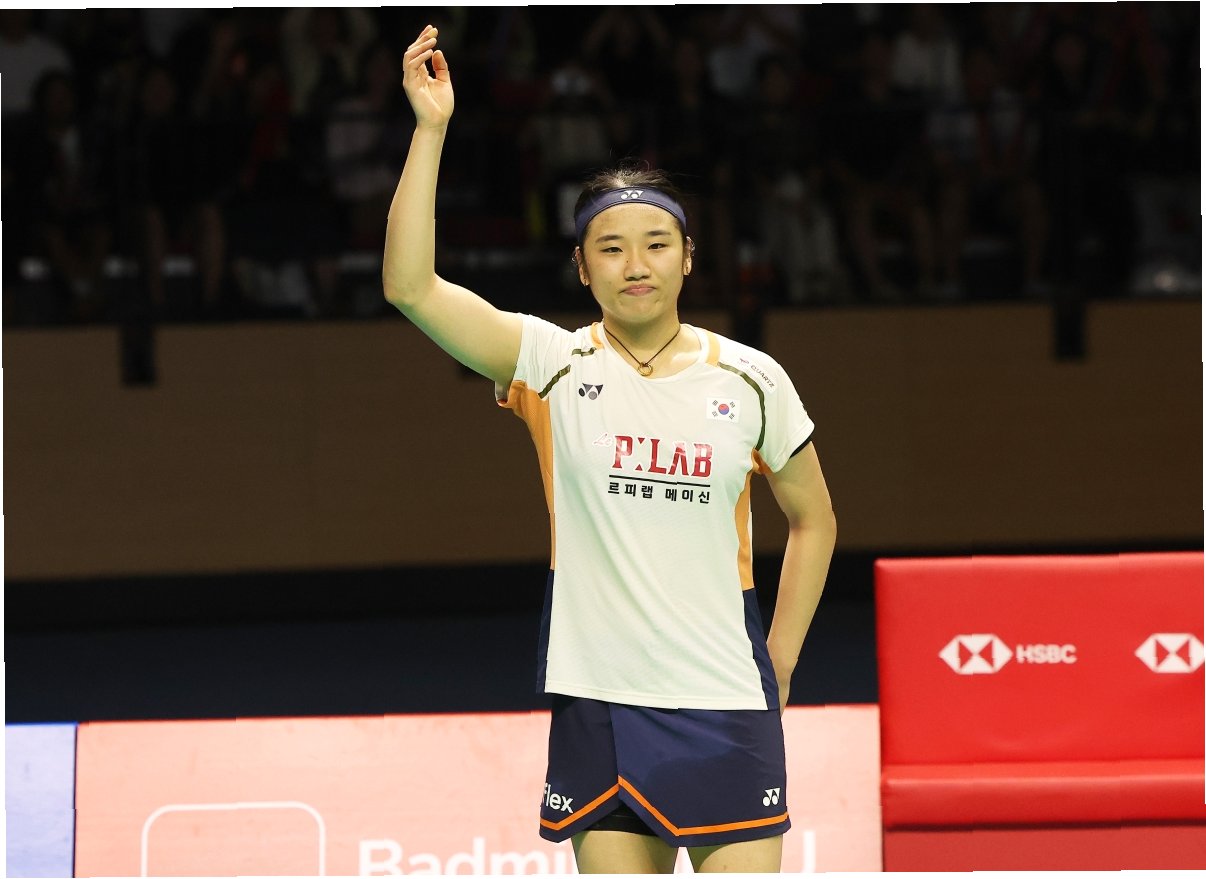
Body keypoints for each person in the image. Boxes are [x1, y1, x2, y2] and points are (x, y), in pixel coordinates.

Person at [385, 26, 836, 874]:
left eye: (657, 244)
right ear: (582, 268)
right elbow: (410, 287)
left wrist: (779, 659)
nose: (637, 265)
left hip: (726, 696)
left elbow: (814, 519)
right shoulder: (551, 364)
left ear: (688, 258)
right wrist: (431, 129)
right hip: (602, 699)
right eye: (612, 248)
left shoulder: (751, 378)